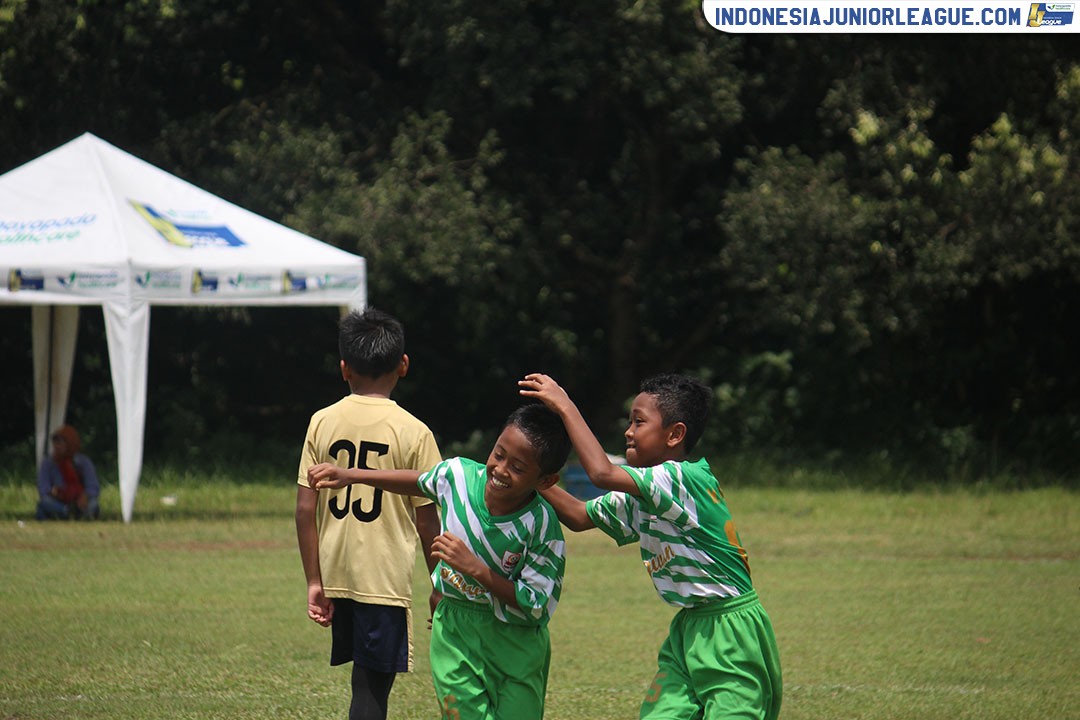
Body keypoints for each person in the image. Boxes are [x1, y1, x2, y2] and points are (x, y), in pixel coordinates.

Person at [519, 372, 783, 720]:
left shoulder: (681, 478)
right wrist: (527, 475)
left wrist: (565, 407)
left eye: (639, 422)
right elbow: (579, 516)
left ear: (675, 434)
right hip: (688, 629)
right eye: (630, 422)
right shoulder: (643, 496)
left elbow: (601, 474)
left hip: (730, 629)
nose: (628, 432)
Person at [309, 402, 571, 720]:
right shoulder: (458, 476)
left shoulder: (542, 525)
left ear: (545, 481)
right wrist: (351, 475)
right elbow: (418, 481)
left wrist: (475, 569)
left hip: (516, 643)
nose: (501, 470)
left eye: (518, 468)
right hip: (456, 631)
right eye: (499, 454)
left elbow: (537, 604)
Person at [295, 308, 443, 720]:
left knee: (363, 684)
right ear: (403, 365)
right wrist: (439, 583)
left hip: (337, 573)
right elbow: (428, 521)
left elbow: (305, 509)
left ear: (344, 368)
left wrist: (314, 580)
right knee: (371, 690)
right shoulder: (415, 431)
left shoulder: (321, 421)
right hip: (382, 579)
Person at [36, 425, 100, 520]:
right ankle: (68, 512)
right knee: (45, 502)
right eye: (55, 443)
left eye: (60, 442)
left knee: (93, 503)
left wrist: (85, 495)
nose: (56, 446)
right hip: (59, 501)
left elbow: (93, 486)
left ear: (70, 443)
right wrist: (53, 492)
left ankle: (79, 513)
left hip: (80, 500)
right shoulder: (48, 463)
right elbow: (43, 487)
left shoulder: (83, 462)